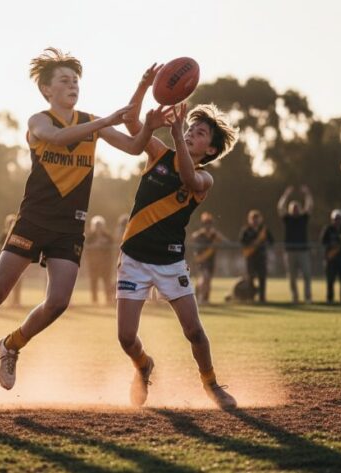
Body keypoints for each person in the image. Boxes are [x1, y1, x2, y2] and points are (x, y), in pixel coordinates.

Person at [0, 47, 169, 395]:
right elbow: (57, 137)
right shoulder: (39, 121)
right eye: (64, 80)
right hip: (33, 220)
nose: (72, 85)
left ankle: (11, 345)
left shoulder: (91, 121)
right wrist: (103, 122)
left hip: (69, 226)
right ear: (46, 90)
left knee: (58, 302)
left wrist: (145, 103)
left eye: (75, 81)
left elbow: (134, 148)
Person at [114, 63, 239, 409]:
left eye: (199, 134)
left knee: (195, 332)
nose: (190, 135)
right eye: (190, 129)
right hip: (135, 259)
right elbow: (132, 123)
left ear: (210, 151)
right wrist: (142, 87)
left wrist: (178, 130)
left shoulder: (205, 180)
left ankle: (211, 384)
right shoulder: (158, 154)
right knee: (126, 338)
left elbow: (187, 177)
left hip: (170, 262)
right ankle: (143, 365)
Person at [277, 185, 314, 303]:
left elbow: (310, 206)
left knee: (307, 275)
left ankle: (308, 297)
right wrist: (286, 195)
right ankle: (295, 297)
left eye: (297, 208)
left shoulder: (303, 218)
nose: (295, 210)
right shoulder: (287, 219)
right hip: (290, 251)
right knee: (292, 277)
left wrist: (307, 194)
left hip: (303, 251)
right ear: (290, 209)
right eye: (293, 208)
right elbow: (280, 207)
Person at [190, 212, 227, 305]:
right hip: (200, 260)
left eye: (209, 223)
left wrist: (217, 235)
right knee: (204, 278)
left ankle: (205, 298)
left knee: (207, 280)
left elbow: (225, 242)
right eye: (206, 223)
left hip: (210, 261)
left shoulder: (214, 235)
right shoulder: (198, 235)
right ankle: (201, 299)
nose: (208, 225)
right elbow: (192, 241)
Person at [239, 210, 274, 303]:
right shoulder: (246, 230)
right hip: (250, 258)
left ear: (260, 219)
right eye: (253, 218)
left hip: (261, 258)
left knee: (262, 278)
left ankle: (262, 298)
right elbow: (242, 242)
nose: (255, 221)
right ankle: (251, 298)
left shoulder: (264, 230)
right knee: (250, 278)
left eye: (257, 218)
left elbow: (272, 241)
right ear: (249, 220)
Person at [320, 209, 341, 303]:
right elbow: (323, 241)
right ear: (332, 219)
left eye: (339, 219)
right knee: (330, 281)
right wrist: (332, 243)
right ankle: (330, 299)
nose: (337, 221)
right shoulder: (328, 229)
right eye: (335, 219)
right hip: (331, 260)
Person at [84, 215, 115, 305]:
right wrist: (95, 245)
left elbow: (112, 244)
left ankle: (108, 298)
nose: (98, 227)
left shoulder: (108, 237)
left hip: (106, 264)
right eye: (96, 225)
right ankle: (94, 300)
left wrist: (104, 243)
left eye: (100, 225)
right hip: (93, 264)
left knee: (107, 281)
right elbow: (86, 246)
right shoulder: (90, 237)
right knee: (93, 281)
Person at [0, 214, 22, 308]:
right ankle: (4, 300)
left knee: (17, 282)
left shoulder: (19, 235)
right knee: (5, 283)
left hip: (18, 263)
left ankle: (16, 301)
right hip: (7, 263)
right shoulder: (4, 236)